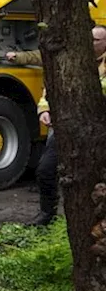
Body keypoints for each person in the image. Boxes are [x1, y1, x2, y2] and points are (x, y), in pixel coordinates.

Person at [31, 24, 106, 226]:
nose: (91, 44)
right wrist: (44, 110)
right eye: (88, 39)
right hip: (67, 125)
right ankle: (47, 214)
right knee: (46, 170)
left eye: (96, 40)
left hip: (98, 128)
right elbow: (50, 90)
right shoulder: (72, 60)